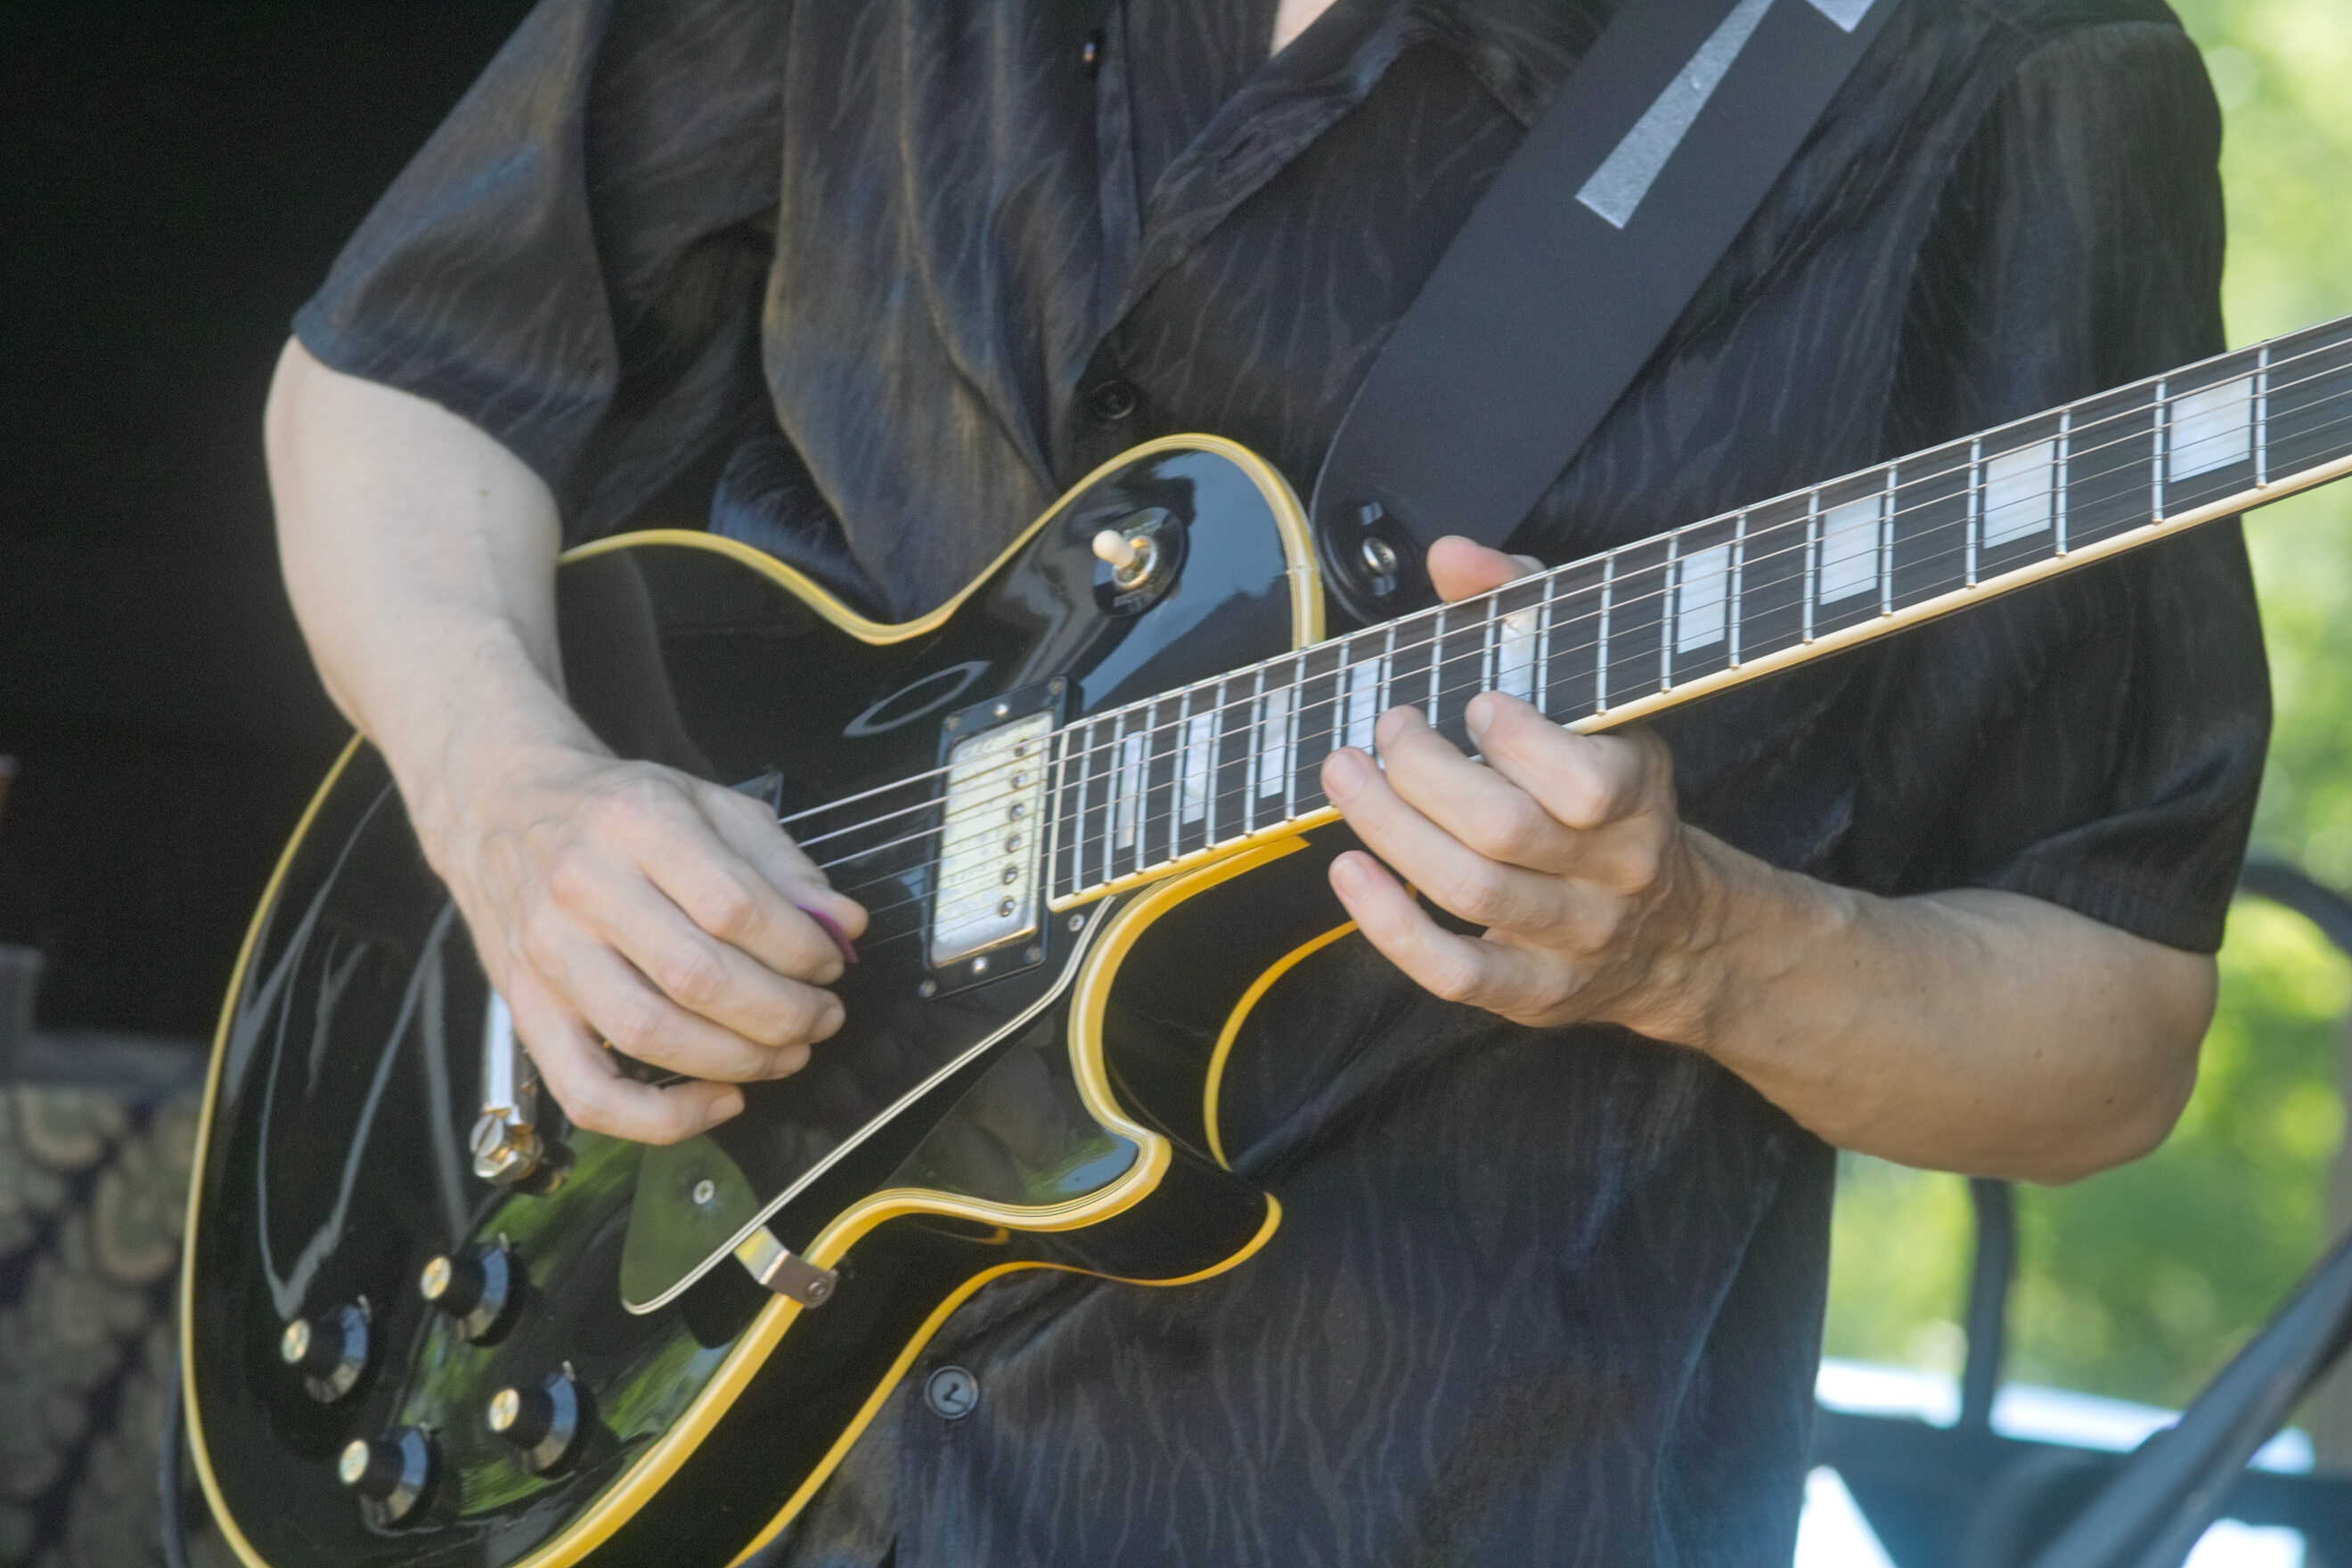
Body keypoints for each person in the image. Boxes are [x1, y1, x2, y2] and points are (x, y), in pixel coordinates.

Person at [262, 0, 2269, 1560]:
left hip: (1409, 1495)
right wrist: (510, 796)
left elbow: (2112, 1033)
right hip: (669, 1417)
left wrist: (1702, 951)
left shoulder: (2000, 80)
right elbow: (405, 373)